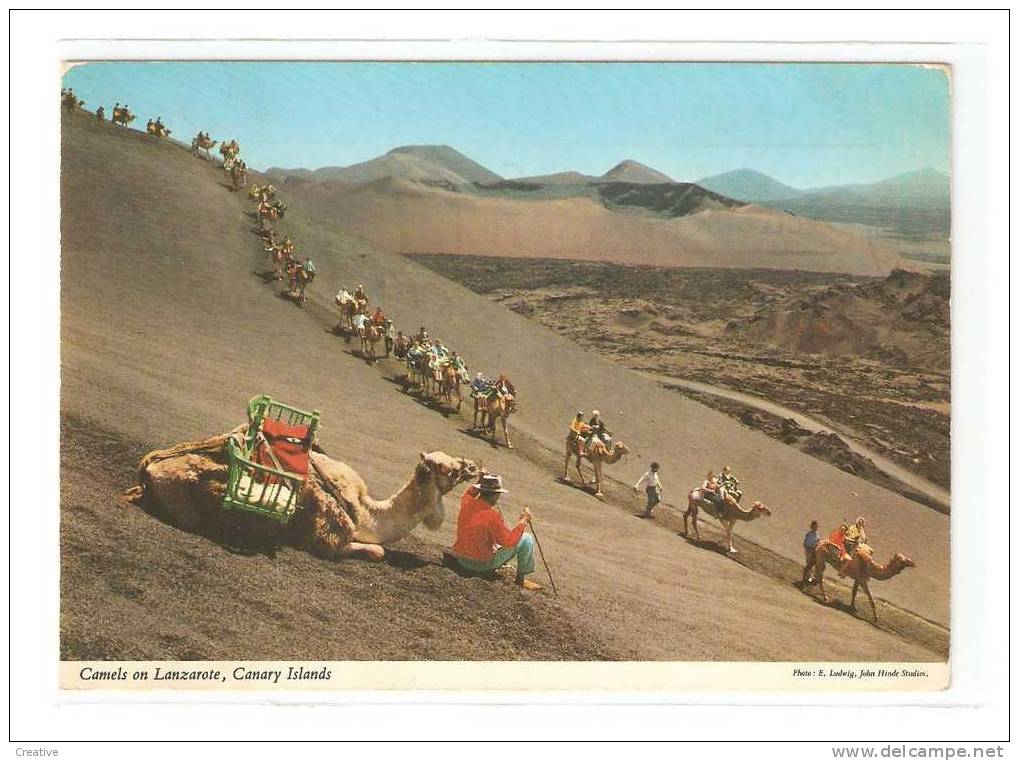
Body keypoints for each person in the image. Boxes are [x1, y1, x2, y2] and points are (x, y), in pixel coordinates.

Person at [450, 474, 542, 591]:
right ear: (496, 495)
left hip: (461, 559)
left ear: (480, 491)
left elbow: (468, 493)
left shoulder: (467, 502)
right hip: (478, 566)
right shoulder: (492, 515)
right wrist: (523, 521)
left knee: (491, 539)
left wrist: (480, 481)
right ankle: (521, 580)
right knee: (526, 539)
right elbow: (509, 542)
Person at [801, 520, 820, 586]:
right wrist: (808, 549)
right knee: (809, 564)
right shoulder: (809, 534)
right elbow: (806, 543)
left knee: (812, 564)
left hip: (814, 551)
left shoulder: (816, 534)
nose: (816, 527)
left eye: (816, 526)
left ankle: (810, 577)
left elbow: (817, 542)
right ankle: (807, 577)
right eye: (815, 526)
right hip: (809, 551)